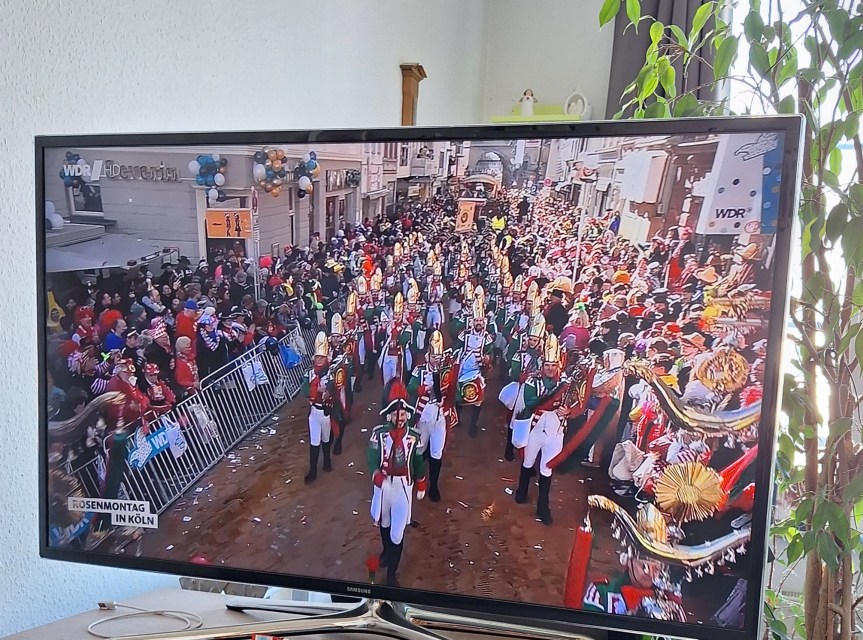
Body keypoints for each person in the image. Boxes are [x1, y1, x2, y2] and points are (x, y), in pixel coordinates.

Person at [368, 378, 427, 587]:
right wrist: (376, 473)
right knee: (384, 522)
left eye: (402, 414)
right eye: (395, 414)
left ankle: (392, 573)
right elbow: (372, 457)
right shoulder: (379, 434)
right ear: (389, 415)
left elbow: (418, 461)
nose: (399, 418)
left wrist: (421, 481)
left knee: (397, 532)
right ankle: (386, 552)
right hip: (384, 486)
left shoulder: (415, 437)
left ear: (407, 415)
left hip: (403, 486)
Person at [407, 330, 457, 502]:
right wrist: (422, 389)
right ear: (428, 356)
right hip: (423, 416)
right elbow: (410, 387)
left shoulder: (446, 371)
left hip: (440, 416)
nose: (437, 359)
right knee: (419, 449)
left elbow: (453, 391)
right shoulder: (419, 370)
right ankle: (419, 479)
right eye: (434, 356)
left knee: (437, 452)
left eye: (439, 357)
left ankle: (434, 485)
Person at [302, 331, 334, 483]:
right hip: (314, 412)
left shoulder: (331, 373)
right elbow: (304, 390)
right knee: (314, 442)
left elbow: (335, 389)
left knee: (326, 439)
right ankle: (313, 471)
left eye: (322, 357)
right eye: (318, 357)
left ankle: (327, 460)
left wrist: (328, 393)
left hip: (326, 412)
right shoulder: (309, 373)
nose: (320, 360)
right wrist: (316, 390)